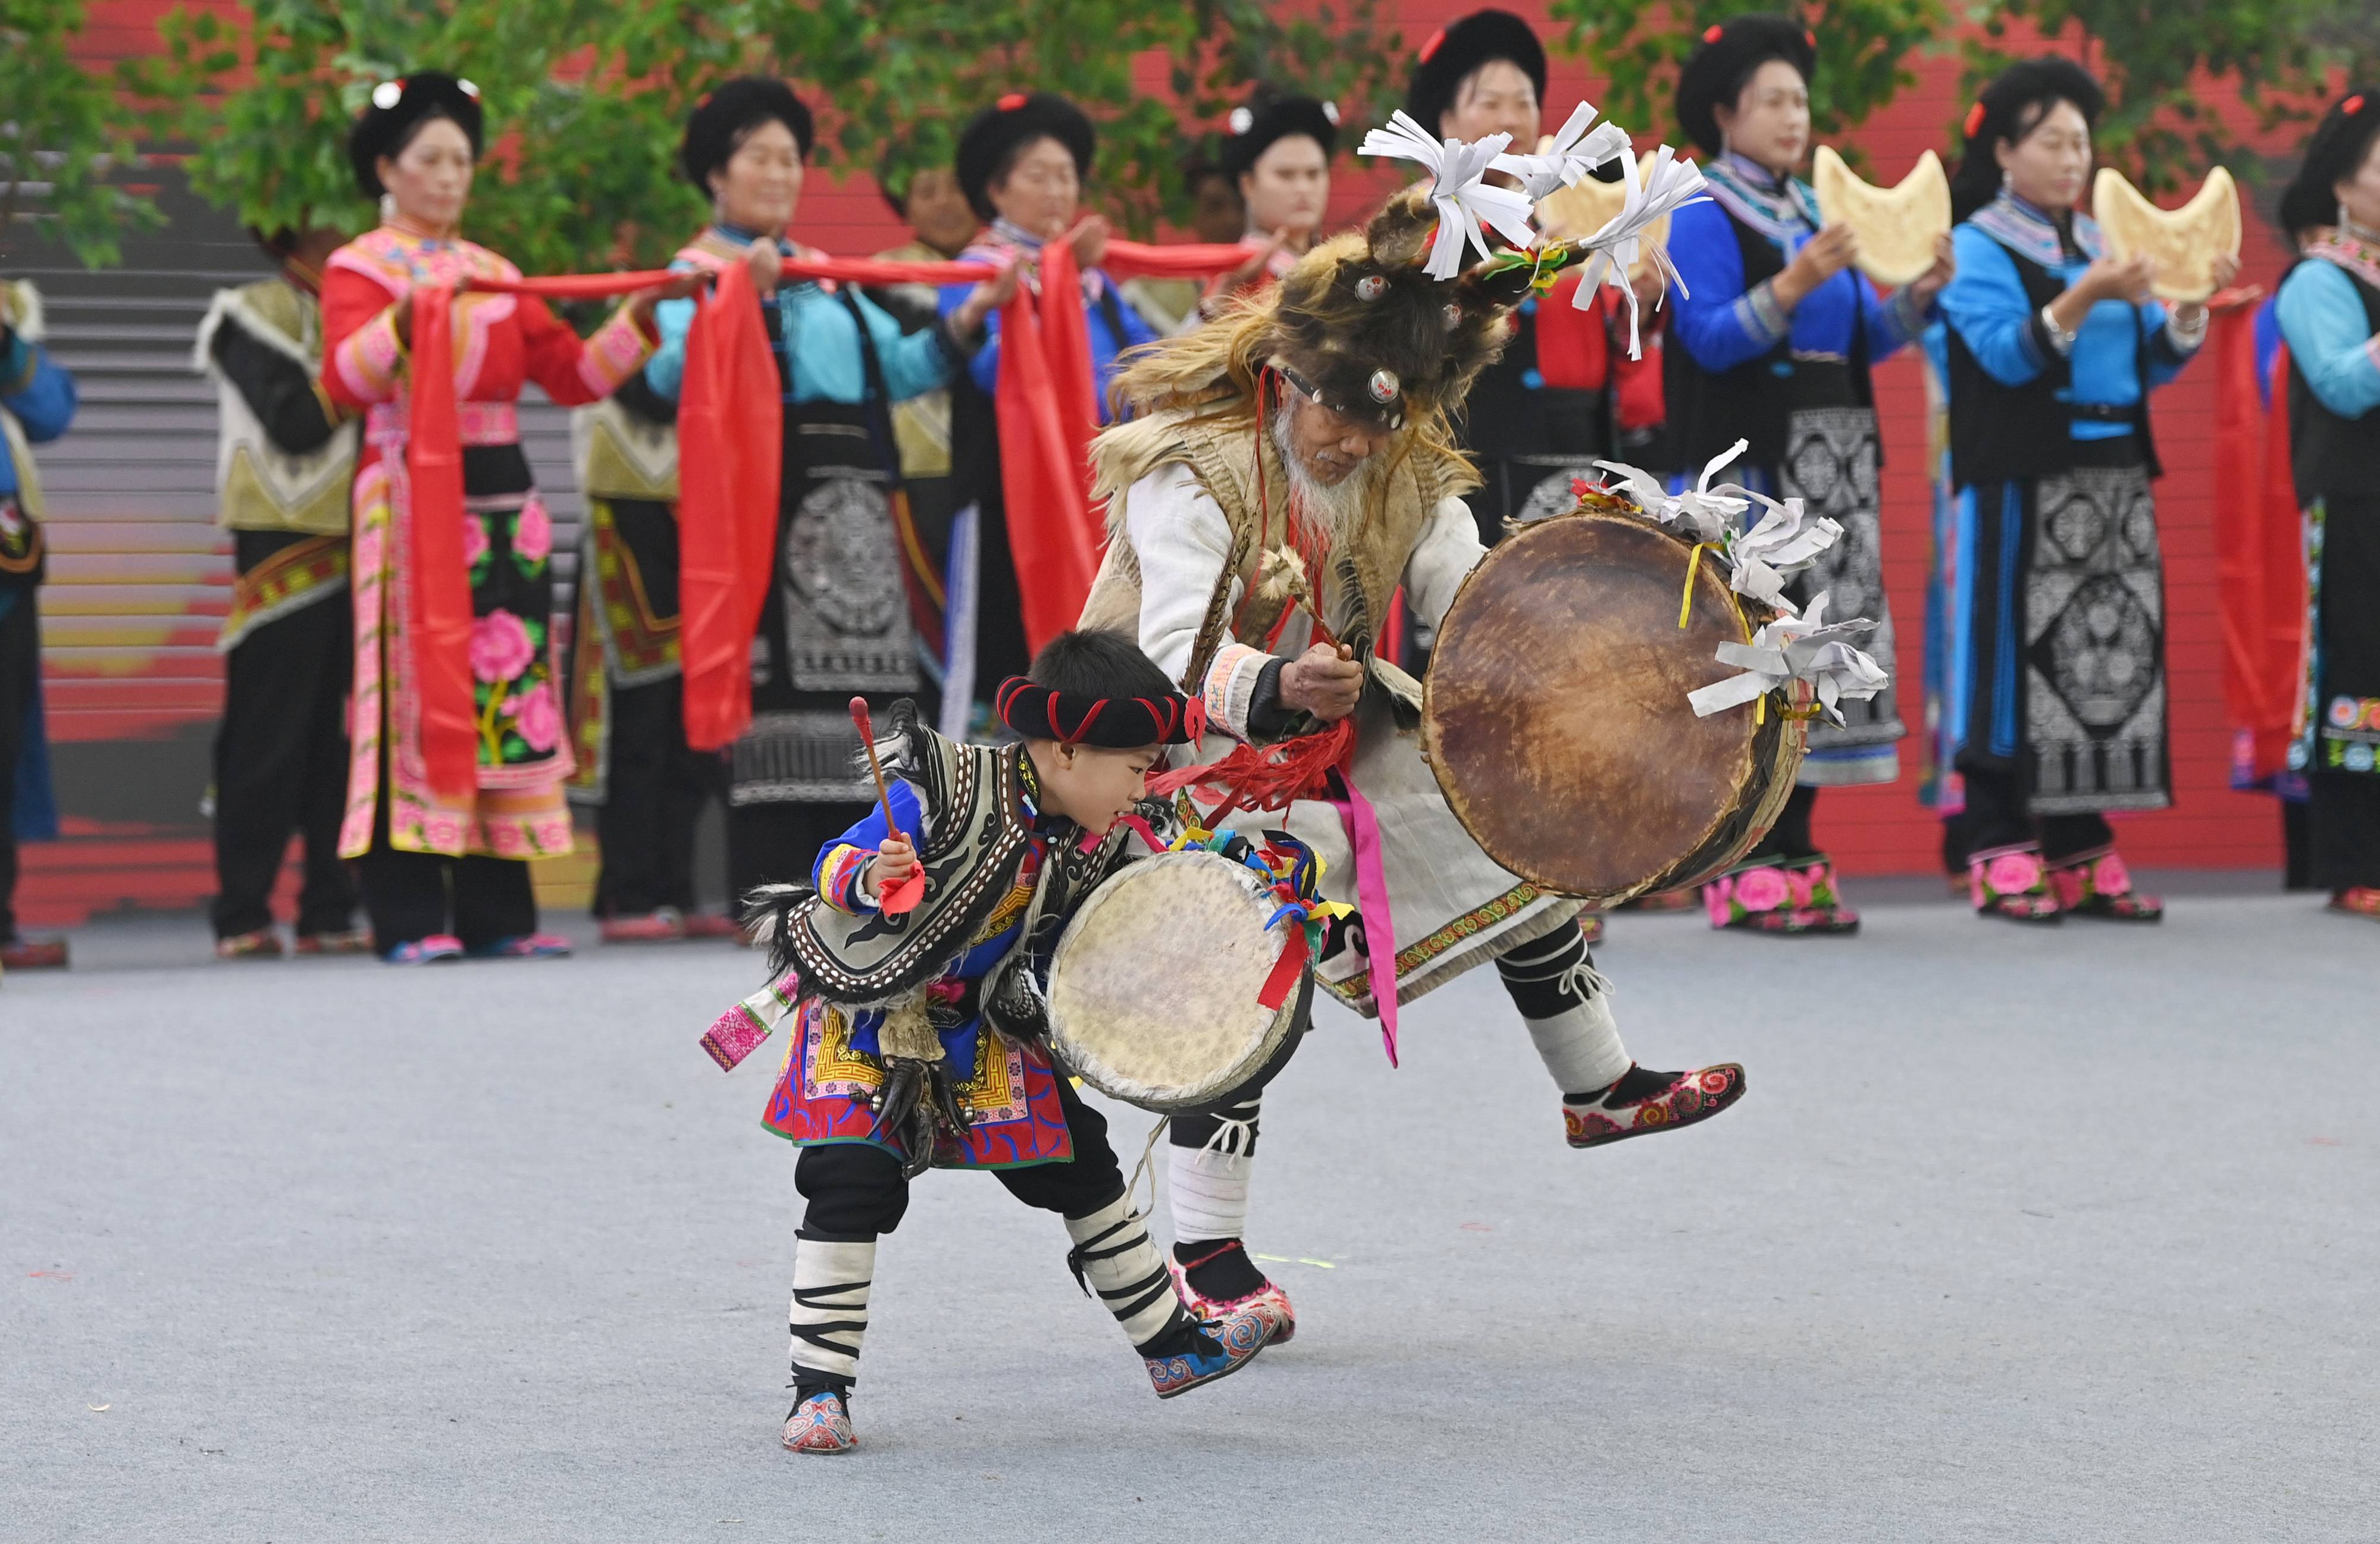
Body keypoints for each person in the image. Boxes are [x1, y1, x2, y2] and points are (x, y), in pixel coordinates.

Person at [1079, 184, 1747, 1338]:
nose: (1355, 441)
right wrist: (1274, 687)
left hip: (1324, 732)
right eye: (1338, 411)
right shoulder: (1190, 469)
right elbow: (1166, 650)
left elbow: (1476, 610)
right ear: (1287, 376)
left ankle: (1597, 1086)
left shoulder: (1412, 474)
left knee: (1492, 818)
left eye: (1381, 420)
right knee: (1246, 975)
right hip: (1163, 755)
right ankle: (1204, 1252)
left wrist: (1611, 627)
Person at [718, 629, 1281, 1455]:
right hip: (869, 1011)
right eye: (1136, 767)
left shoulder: (1105, 829)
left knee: (1078, 1161)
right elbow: (834, 861)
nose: (1145, 786)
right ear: (1066, 751)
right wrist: (872, 877)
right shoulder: (944, 791)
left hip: (983, 1018)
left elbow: (1140, 902)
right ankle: (818, 1393)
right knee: (848, 1180)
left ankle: (1174, 1347)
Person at [612, 80, 1015, 907]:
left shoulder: (827, 275)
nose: (779, 174)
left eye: (790, 158)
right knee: (778, 699)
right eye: (759, 158)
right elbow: (667, 379)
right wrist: (743, 301)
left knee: (873, 704)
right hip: (768, 503)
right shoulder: (694, 275)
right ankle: (777, 890)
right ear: (716, 175)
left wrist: (973, 311)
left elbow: (902, 368)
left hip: (861, 509)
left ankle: (869, 880)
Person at [321, 72, 687, 963]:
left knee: (509, 691)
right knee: (414, 695)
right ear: (386, 169)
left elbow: (574, 377)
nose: (450, 177)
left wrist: (640, 316)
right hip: (409, 498)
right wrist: (404, 323)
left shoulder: (497, 274)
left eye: (462, 160)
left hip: (503, 502)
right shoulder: (360, 267)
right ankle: (408, 913)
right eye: (430, 160)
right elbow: (344, 380)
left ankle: (499, 915)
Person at [1661, 15, 1955, 935]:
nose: (1795, 118)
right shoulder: (1704, 209)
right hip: (1757, 471)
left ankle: (1798, 845)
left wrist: (1918, 297)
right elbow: (1707, 337)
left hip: (1839, 468)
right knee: (1760, 653)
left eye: (1801, 101)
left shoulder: (1811, 213)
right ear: (1726, 112)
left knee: (1820, 654)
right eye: (1774, 102)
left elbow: (1862, 337)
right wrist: (1792, 283)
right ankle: (1744, 857)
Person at [1937, 58, 2234, 923]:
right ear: (2004, 151)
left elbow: (2146, 360)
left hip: (2114, 479)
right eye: (2052, 143)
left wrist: (2187, 309)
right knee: (2005, 654)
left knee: (2101, 657)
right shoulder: (1978, 245)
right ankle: (1997, 835)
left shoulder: (2104, 239)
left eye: (2081, 143)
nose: (2073, 159)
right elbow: (2005, 355)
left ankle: (2076, 835)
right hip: (2021, 477)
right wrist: (2088, 293)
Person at [1410, 9, 1669, 545]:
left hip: (1582, 455)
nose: (1513, 120)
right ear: (1447, 122)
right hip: (1477, 457)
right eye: (1491, 104)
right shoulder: (1424, 223)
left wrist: (1636, 306)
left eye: (1525, 102)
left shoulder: (1564, 214)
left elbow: (1618, 363)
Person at [940, 92, 1161, 699]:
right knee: (1006, 650)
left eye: (1066, 176)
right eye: (1037, 176)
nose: (1057, 192)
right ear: (996, 191)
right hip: (1007, 490)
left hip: (1096, 485)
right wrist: (1051, 283)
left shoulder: (1093, 282)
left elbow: (1151, 363)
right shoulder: (975, 273)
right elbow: (995, 368)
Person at [196, 226, 371, 960]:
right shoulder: (247, 313)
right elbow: (295, 424)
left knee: (343, 740)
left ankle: (330, 905)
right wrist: (374, 359)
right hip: (283, 540)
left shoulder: (371, 311)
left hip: (368, 542)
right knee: (269, 737)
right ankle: (242, 910)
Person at [2273, 89, 2380, 921]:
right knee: (2359, 665)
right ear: (2343, 186)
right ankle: (2356, 858)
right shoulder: (2320, 278)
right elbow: (2342, 384)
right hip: (2356, 503)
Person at [0, 275, 76, 973]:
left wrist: (5, 342)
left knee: (5, 741)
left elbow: (52, 411)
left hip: (5, 561)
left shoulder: (9, 310)